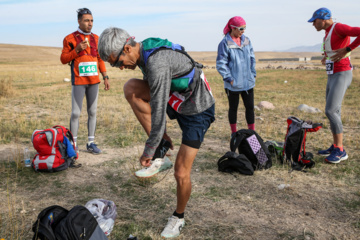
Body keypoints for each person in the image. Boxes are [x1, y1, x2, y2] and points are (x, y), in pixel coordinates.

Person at [98, 27, 215, 238]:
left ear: (127, 48)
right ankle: (162, 145)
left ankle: (178, 217)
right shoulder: (143, 54)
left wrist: (148, 151)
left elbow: (159, 112)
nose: (120, 68)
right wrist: (158, 140)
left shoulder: (156, 63)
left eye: (117, 62)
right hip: (176, 97)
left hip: (197, 109)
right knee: (130, 88)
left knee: (181, 172)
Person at [308, 8, 360, 163]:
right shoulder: (328, 32)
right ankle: (335, 145)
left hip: (342, 74)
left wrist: (348, 48)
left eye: (314, 21)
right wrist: (326, 57)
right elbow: (333, 47)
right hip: (332, 74)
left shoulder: (338, 27)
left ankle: (340, 150)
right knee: (333, 111)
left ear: (323, 19)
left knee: (330, 110)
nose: (313, 25)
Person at [60, 8, 110, 154]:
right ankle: (73, 145)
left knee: (92, 111)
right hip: (79, 81)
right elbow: (63, 59)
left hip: (94, 81)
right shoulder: (69, 39)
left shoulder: (97, 38)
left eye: (92, 21)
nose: (90, 23)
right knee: (75, 113)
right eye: (87, 20)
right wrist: (76, 50)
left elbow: (100, 59)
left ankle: (91, 143)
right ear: (79, 21)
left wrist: (105, 76)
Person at [216, 16, 256, 137]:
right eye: (241, 28)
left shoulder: (247, 40)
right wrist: (229, 79)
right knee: (233, 109)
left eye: (244, 28)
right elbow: (221, 63)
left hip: (248, 82)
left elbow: (252, 58)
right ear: (232, 28)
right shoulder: (224, 43)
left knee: (250, 108)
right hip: (233, 84)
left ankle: (252, 133)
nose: (243, 31)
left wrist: (253, 74)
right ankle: (234, 134)